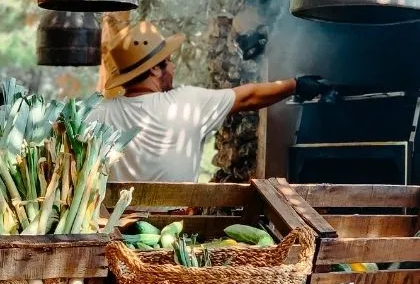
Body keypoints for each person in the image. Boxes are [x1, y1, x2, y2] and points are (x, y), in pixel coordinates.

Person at [89, 20, 329, 183]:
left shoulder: (98, 114)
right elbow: (250, 96)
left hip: (116, 230)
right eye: (168, 61)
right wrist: (297, 85)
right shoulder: (186, 104)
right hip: (172, 232)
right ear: (153, 70)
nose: (172, 66)